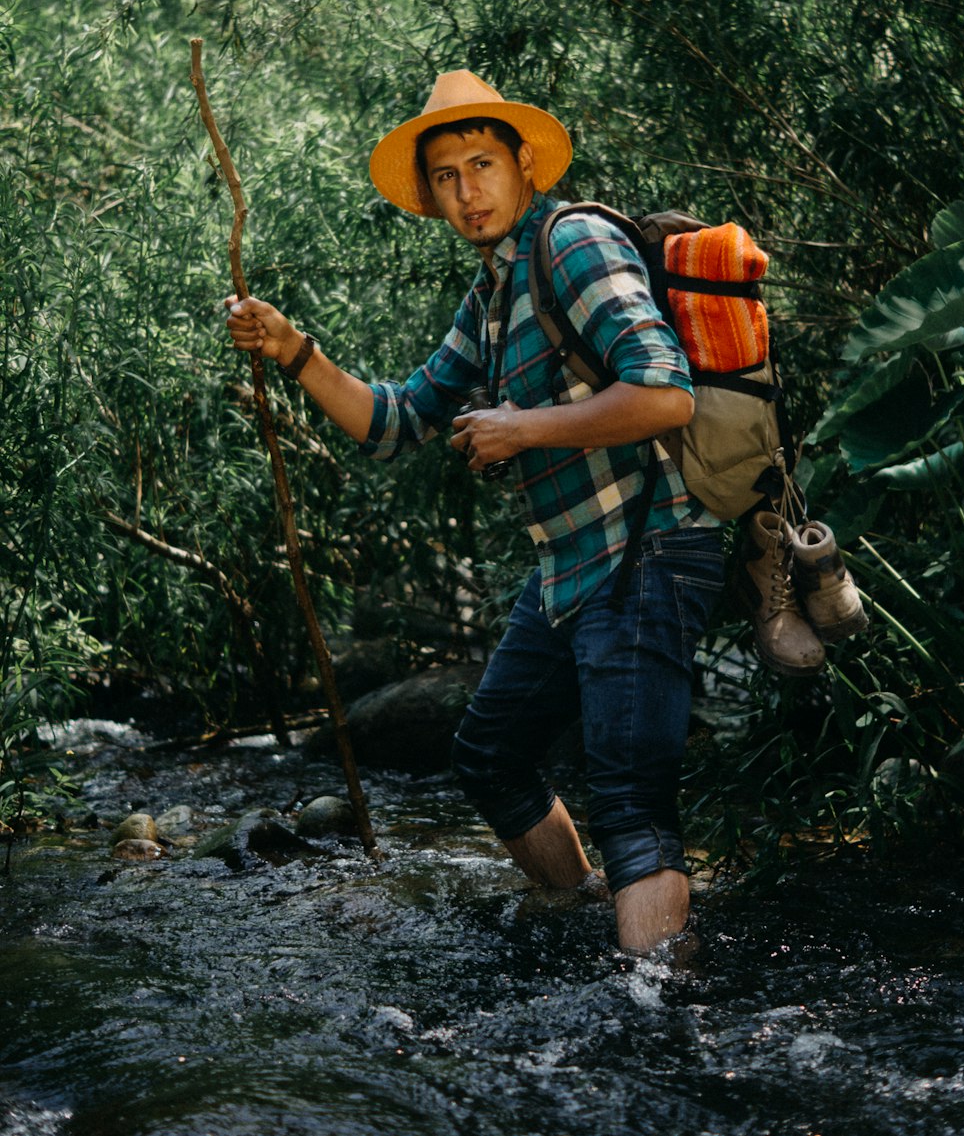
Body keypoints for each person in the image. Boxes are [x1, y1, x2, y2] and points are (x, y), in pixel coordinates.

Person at [225, 69, 725, 954]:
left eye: (481, 163)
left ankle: (660, 1017)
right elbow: (393, 420)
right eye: (447, 176)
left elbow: (665, 395)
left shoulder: (570, 244)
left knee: (630, 798)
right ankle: (583, 922)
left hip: (649, 545)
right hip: (572, 566)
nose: (466, 191)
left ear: (523, 162)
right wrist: (291, 346)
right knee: (490, 753)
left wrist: (521, 428)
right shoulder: (491, 296)